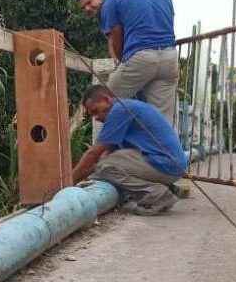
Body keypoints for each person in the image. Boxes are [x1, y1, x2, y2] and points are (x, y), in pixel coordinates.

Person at [77, 0, 178, 124]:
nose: (88, 8)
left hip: (141, 58)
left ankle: (109, 149)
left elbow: (115, 39)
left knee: (103, 103)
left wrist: (123, 62)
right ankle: (162, 149)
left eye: (89, 3)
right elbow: (169, 21)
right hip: (170, 57)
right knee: (161, 121)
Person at [72, 85, 187, 215]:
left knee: (105, 167)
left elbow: (93, 154)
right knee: (106, 164)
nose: (96, 117)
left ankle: (158, 194)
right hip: (171, 165)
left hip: (166, 165)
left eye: (96, 111)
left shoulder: (119, 110)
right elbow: (105, 154)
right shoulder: (127, 107)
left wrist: (68, 182)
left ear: (106, 99)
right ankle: (167, 188)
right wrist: (87, 176)